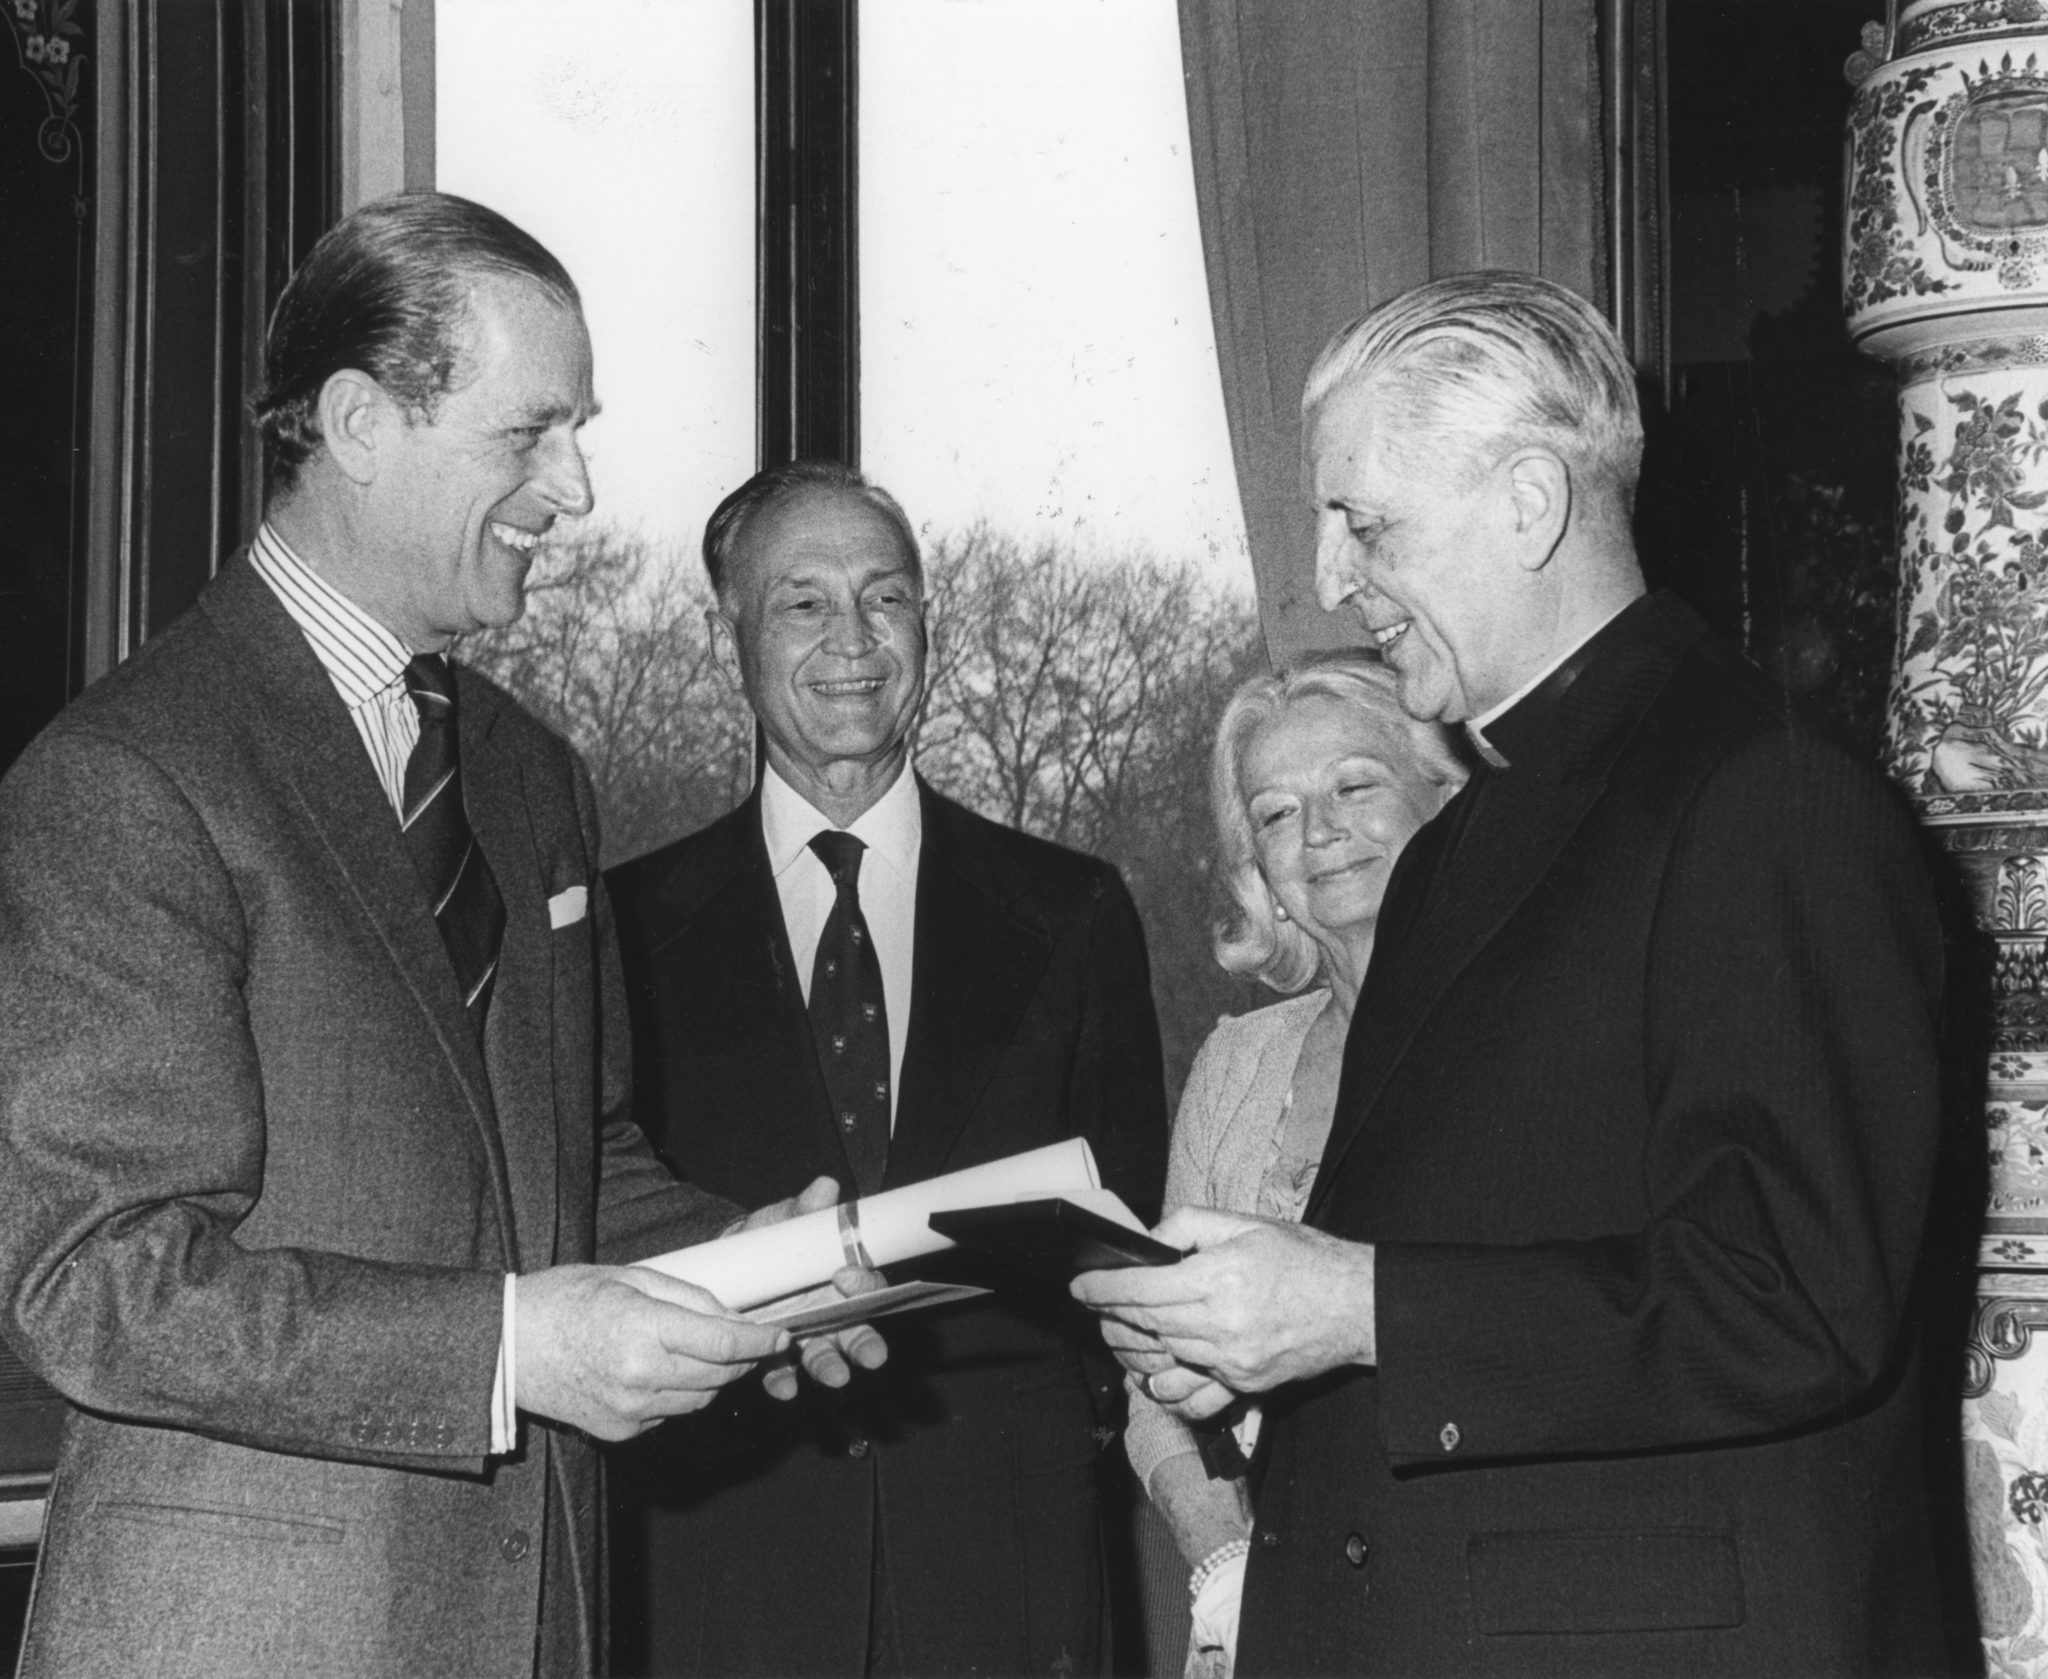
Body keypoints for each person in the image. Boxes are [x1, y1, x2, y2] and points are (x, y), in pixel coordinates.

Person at [0, 193, 880, 1679]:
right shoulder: (126, 777)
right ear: (359, 422)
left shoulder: (532, 778)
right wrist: (511, 1349)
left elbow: (567, 1167)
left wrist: (735, 1262)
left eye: (577, 432)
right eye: (528, 433)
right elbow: (95, 1277)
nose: (575, 489)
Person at [1073, 271, 1956, 1675]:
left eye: (1366, 523)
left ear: (1530, 503)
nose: (1329, 577)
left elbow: (1793, 1294)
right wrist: (1257, 1342)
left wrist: (1345, 1306)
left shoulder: (1760, 794)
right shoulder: (1457, 845)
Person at [604, 459, 1170, 1677]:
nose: (852, 639)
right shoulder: (622, 931)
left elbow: (1119, 1242)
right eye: (803, 601)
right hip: (721, 1566)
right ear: (732, 634)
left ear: (928, 622)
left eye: (886, 596)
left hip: (1005, 1567)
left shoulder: (1071, 910)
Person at [1126, 655, 1463, 1679]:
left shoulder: (1535, 1032)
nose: (1317, 831)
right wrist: (1220, 1557)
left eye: (1355, 785)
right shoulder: (1236, 1064)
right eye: (1276, 813)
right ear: (1256, 867)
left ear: (1443, 798)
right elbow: (1152, 1377)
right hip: (1265, 1604)